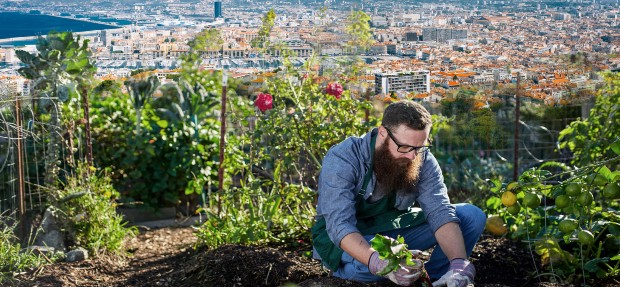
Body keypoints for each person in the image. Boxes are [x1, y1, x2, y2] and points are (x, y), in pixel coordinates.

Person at [311, 100, 486, 286]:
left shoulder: (420, 158)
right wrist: (377, 261)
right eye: (405, 147)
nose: (413, 156)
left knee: (471, 216)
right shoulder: (344, 158)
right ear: (383, 133)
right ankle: (347, 271)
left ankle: (438, 278)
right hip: (352, 237)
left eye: (420, 147)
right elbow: (340, 225)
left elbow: (439, 211)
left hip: (394, 229)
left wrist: (459, 262)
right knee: (377, 267)